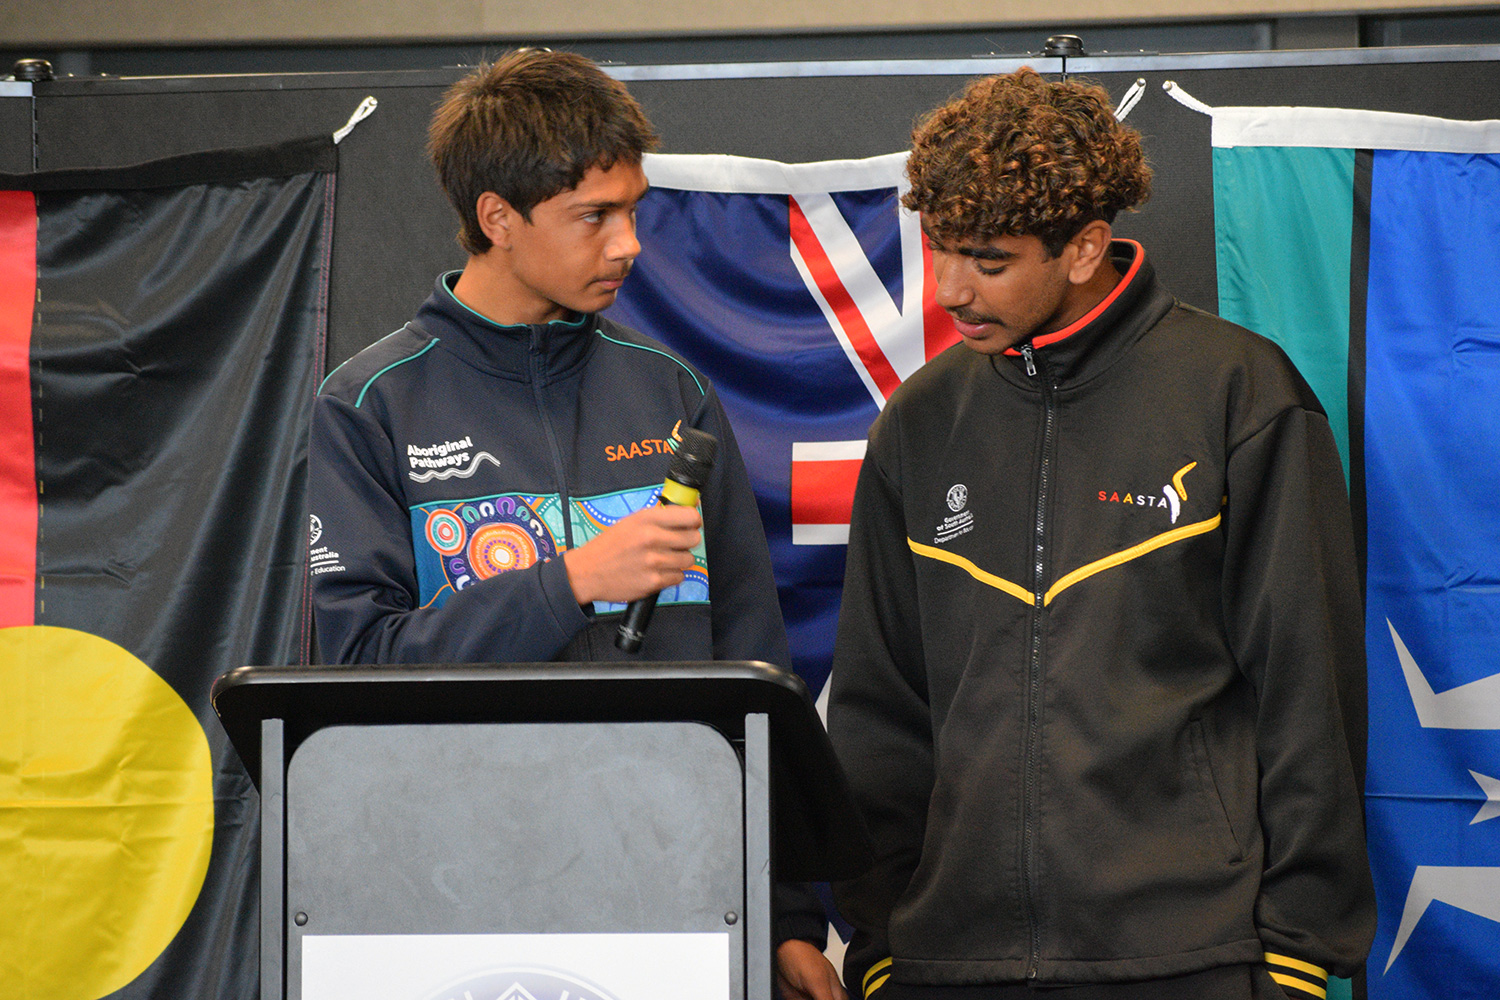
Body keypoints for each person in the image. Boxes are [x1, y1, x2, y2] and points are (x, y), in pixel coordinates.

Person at [827, 68, 1375, 1000]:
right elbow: (881, 705)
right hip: (949, 962)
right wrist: (880, 942)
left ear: (1084, 248)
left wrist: (1297, 949)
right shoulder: (920, 421)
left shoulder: (1241, 396)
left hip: (1192, 959)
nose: (951, 289)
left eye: (988, 261)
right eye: (940, 249)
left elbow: (1308, 691)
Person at [307, 49, 842, 1000]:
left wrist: (785, 916)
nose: (629, 244)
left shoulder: (672, 391)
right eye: (595, 216)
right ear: (497, 218)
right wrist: (572, 582)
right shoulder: (370, 405)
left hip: (678, 900)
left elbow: (756, 672)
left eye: (633, 211)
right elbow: (355, 669)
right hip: (451, 904)